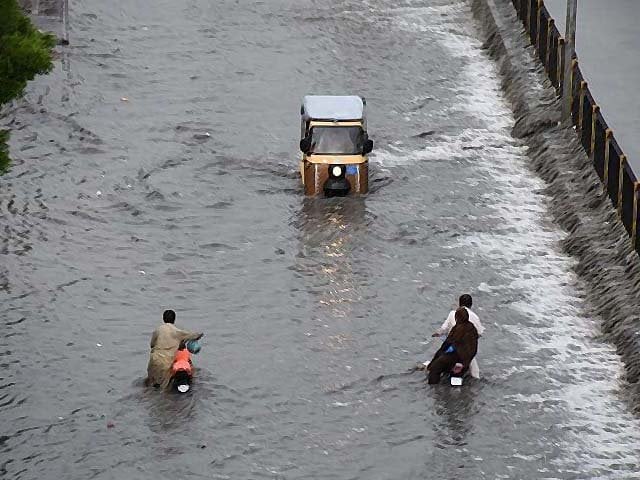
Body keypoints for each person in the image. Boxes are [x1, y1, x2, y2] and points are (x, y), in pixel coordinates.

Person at [146, 309, 202, 389]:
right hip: (166, 362)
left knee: (151, 385)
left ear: (163, 318)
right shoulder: (177, 332)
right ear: (174, 319)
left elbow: (152, 345)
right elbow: (192, 335)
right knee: (164, 388)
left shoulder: (158, 330)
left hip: (154, 360)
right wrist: (199, 335)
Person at [432, 294, 484, 378]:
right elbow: (480, 333)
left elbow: (443, 329)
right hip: (466, 352)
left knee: (438, 366)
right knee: (474, 373)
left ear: (459, 303)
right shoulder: (475, 317)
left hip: (451, 349)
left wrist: (437, 333)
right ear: (471, 304)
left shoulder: (453, 313)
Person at [427, 308, 478, 384]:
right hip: (466, 362)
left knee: (435, 368)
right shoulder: (472, 329)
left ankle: (433, 390)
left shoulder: (458, 328)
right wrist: (465, 363)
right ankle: (457, 390)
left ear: (457, 317)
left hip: (455, 358)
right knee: (456, 379)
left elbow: (446, 345)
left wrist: (433, 362)